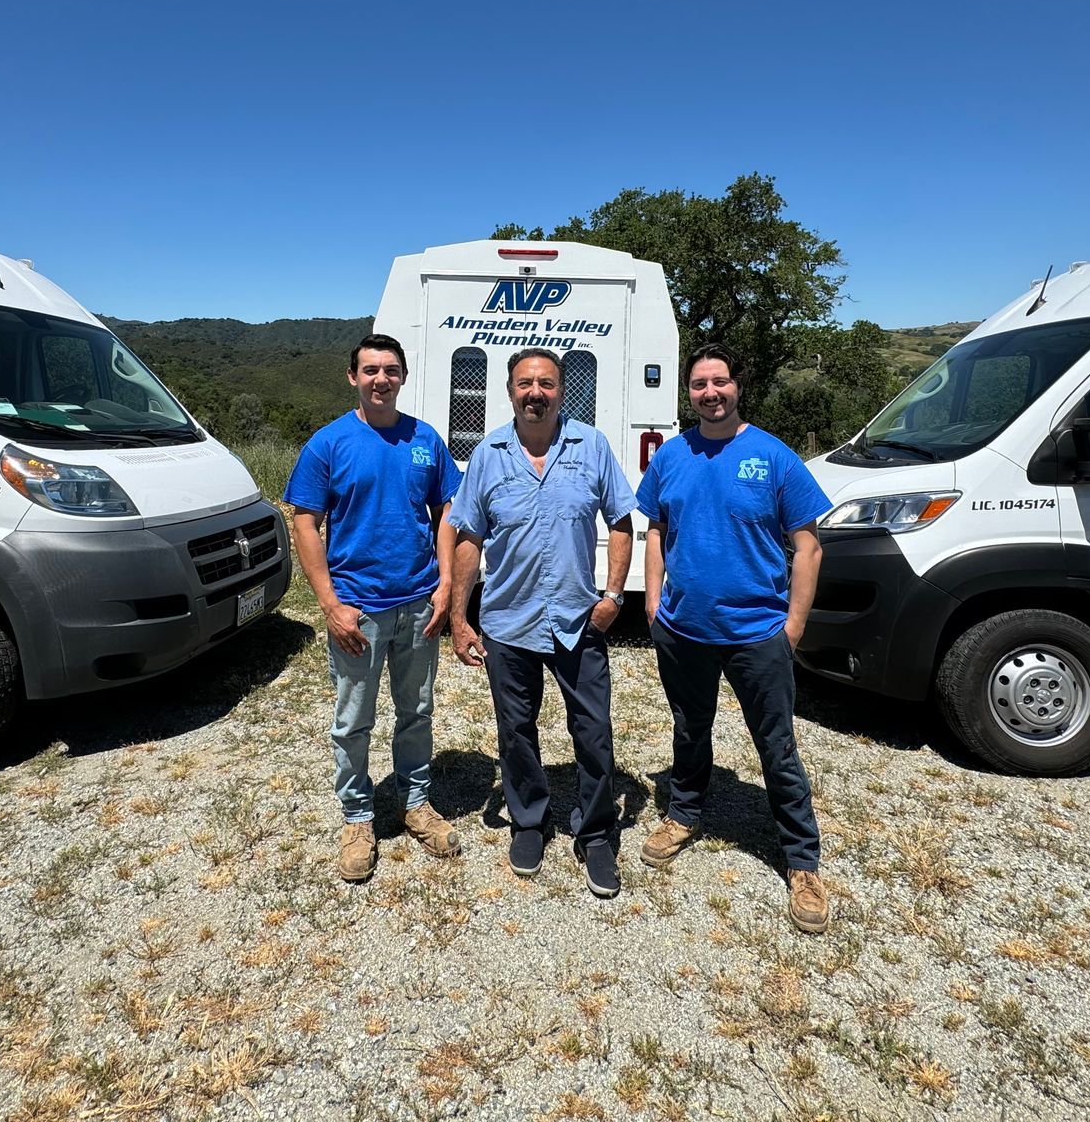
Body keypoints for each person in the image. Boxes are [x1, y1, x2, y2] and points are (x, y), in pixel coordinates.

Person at [634, 344, 834, 934]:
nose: (710, 393)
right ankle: (685, 814)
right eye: (699, 385)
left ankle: (801, 861)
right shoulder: (671, 457)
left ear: (737, 387)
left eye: (719, 382)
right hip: (682, 630)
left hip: (757, 633)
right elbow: (655, 531)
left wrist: (792, 627)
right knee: (689, 728)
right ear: (687, 393)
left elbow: (809, 547)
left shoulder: (774, 457)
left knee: (776, 744)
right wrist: (651, 603)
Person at [443, 348, 635, 896]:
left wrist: (614, 596)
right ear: (509, 391)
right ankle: (529, 821)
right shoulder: (487, 454)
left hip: (579, 619)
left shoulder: (591, 445)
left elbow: (621, 520)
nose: (535, 392)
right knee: (516, 732)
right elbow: (468, 538)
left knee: (593, 732)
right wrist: (461, 617)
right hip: (508, 621)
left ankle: (596, 833)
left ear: (561, 391)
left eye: (546, 383)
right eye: (525, 383)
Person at [285, 333, 463, 883]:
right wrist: (330, 603)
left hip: (417, 603)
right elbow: (305, 522)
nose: (380, 379)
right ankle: (358, 818)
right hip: (357, 609)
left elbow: (447, 511)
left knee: (416, 712)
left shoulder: (425, 440)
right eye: (370, 370)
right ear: (353, 377)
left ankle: (415, 804)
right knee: (353, 719)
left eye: (390, 370)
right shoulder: (328, 444)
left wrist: (445, 586)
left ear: (403, 377)